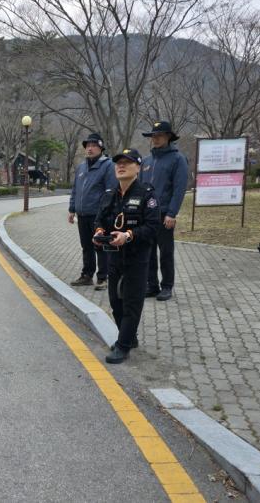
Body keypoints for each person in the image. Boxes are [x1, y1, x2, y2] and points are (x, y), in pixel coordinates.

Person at [93, 149, 160, 364]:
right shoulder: (110, 194)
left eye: (127, 162)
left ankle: (123, 345)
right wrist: (99, 233)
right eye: (118, 163)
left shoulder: (147, 195)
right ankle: (129, 337)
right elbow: (100, 220)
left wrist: (128, 235)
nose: (121, 166)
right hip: (114, 256)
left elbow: (152, 227)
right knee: (116, 302)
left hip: (137, 257)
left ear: (138, 167)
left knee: (132, 302)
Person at [141, 121, 188, 302]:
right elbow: (141, 188)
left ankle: (167, 286)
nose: (156, 138)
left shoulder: (177, 159)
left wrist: (171, 213)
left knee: (166, 252)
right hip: (148, 214)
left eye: (159, 135)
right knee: (148, 251)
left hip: (164, 214)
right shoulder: (146, 161)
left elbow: (179, 189)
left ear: (168, 137)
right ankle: (151, 285)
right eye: (153, 136)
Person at [68, 133, 117, 291]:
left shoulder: (108, 165)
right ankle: (87, 275)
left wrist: (105, 213)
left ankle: (102, 278)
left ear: (101, 148)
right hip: (82, 215)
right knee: (86, 246)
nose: (90, 148)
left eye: (94, 145)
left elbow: (111, 191)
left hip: (98, 216)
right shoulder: (81, 167)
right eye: (88, 146)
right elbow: (75, 190)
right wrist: (72, 209)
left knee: (100, 246)